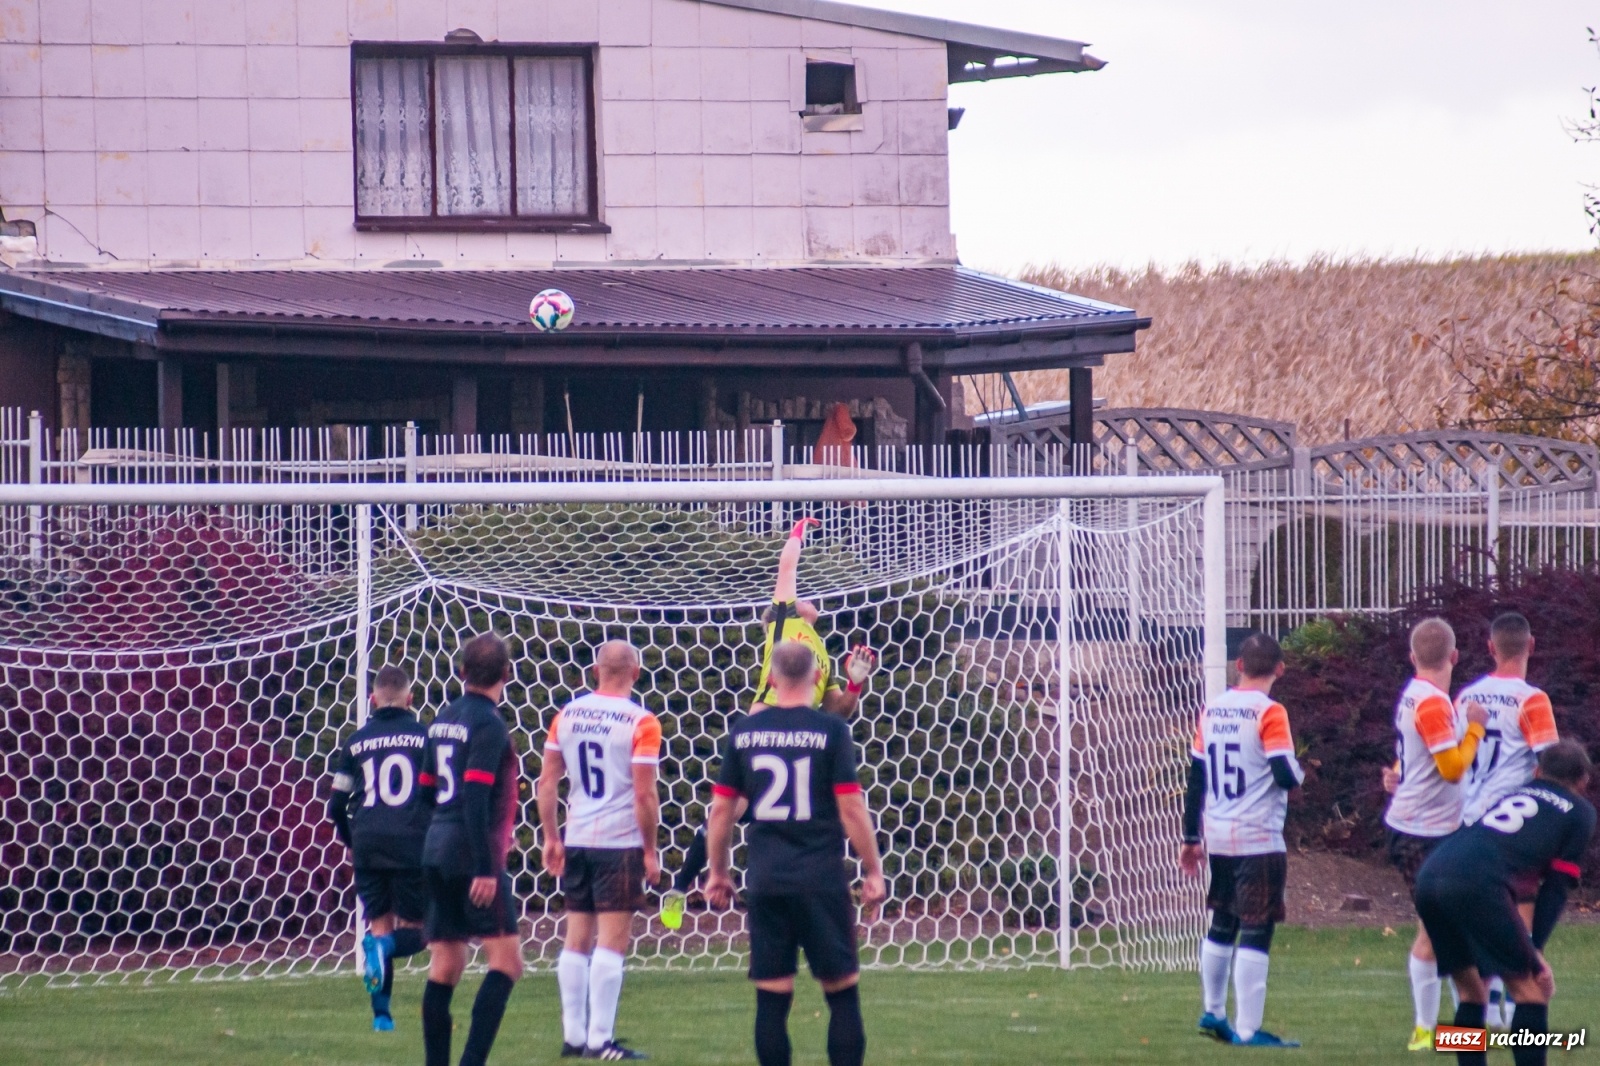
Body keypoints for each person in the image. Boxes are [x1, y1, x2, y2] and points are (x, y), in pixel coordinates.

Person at [661, 516, 876, 930]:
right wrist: (797, 533)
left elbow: (836, 710)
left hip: (801, 737)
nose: (805, 597)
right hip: (765, 730)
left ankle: (801, 900)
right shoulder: (784, 624)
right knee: (726, 813)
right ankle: (679, 890)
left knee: (790, 817)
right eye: (799, 597)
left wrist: (854, 684)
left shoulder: (821, 653)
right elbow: (787, 568)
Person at [705, 641, 887, 1066]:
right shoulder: (831, 731)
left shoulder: (745, 732)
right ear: (816, 677)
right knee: (842, 996)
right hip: (821, 879)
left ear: (770, 679)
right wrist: (873, 869)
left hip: (767, 880)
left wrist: (718, 872)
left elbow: (721, 811)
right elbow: (851, 808)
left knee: (772, 1000)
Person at [1414, 741, 1596, 1066]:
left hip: (1431, 875)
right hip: (1478, 883)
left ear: (1537, 771)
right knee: (1531, 990)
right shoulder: (1580, 812)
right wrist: (1534, 951)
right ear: (1584, 780)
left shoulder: (1514, 794)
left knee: (1471, 993)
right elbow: (1556, 887)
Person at [1179, 632, 1304, 1048]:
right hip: (1257, 835)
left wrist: (1191, 835)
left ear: (1238, 666)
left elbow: (1197, 777)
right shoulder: (1270, 712)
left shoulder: (1212, 709)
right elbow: (1284, 773)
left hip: (1218, 834)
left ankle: (1213, 1011)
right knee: (1256, 925)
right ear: (1280, 669)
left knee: (1223, 921)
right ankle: (1249, 1030)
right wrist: (1300, 773)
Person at [538, 641, 661, 1061]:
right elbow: (644, 795)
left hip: (577, 837)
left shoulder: (566, 715)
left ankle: (573, 1037)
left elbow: (547, 783)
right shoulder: (641, 721)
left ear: (594, 671)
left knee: (576, 937)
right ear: (636, 673)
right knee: (611, 942)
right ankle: (600, 1041)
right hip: (618, 840)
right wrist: (650, 850)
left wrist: (551, 837)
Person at [1380, 617, 1489, 1052]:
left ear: (1412, 657)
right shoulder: (1432, 704)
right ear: (1455, 656)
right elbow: (1451, 768)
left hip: (1436, 831)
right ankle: (1436, 1031)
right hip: (1422, 834)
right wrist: (1476, 728)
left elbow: (1415, 755)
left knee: (1451, 928)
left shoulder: (1417, 695)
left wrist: (1397, 773)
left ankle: (1450, 1029)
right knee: (1440, 932)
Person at [419, 634, 524, 1066]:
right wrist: (484, 865)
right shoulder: (489, 724)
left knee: (445, 966)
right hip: (471, 855)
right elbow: (476, 797)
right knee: (507, 963)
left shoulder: (442, 719)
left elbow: (426, 792)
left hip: (436, 848)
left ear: (462, 672)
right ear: (506, 674)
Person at [1453, 612, 1561, 1029]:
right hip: (1512, 825)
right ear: (1531, 646)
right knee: (1520, 919)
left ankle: (1476, 1021)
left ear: (1490, 648)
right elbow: (1551, 766)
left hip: (1467, 821)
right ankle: (1519, 1015)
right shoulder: (1531, 700)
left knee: (1474, 925)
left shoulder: (1467, 697)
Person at [327, 664, 433, 1031]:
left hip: (368, 843)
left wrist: (351, 842)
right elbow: (438, 795)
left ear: (372, 699)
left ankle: (382, 1017)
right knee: (421, 930)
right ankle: (385, 948)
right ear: (410, 699)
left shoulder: (355, 742)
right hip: (411, 842)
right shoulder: (425, 738)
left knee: (379, 925)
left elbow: (336, 805)